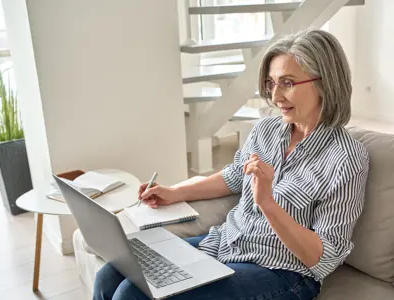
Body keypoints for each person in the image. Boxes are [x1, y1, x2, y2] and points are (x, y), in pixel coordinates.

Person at [93, 29, 369, 300]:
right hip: (224, 243)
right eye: (272, 83)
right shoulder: (267, 131)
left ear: (326, 82)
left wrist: (268, 204)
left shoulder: (347, 159)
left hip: (281, 272)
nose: (275, 97)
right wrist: (175, 192)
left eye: (287, 83)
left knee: (131, 294)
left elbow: (324, 258)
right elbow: (233, 177)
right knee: (110, 274)